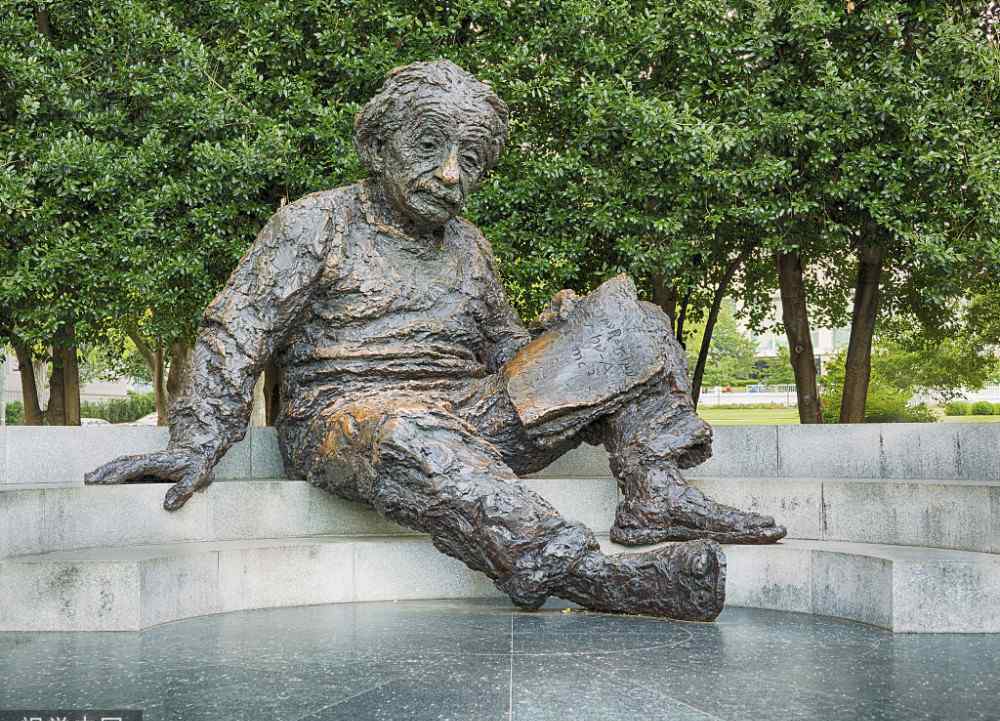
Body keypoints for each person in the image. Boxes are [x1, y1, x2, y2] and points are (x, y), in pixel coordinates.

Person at [87, 60, 784, 622]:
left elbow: (506, 353)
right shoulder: (316, 225)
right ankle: (587, 573)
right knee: (409, 432)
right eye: (428, 147)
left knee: (633, 323)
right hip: (349, 418)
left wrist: (559, 336)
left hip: (472, 412)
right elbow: (236, 329)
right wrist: (195, 441)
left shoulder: (469, 246)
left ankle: (655, 491)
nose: (451, 174)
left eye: (469, 160)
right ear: (377, 146)